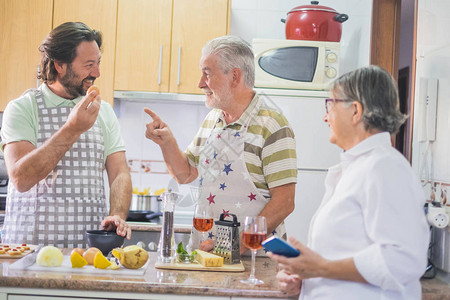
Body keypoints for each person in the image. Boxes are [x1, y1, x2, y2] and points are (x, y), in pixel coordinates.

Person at [268, 65, 429, 300]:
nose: (325, 116)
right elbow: (345, 256)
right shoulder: (357, 168)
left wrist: (319, 268)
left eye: (330, 104)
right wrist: (305, 279)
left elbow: (403, 260)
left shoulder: (385, 167)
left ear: (355, 111)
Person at [144, 35, 297, 253]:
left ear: (234, 76)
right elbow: (186, 174)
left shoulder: (272, 125)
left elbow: (285, 202)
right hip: (206, 256)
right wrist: (166, 143)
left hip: (255, 262)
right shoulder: (213, 119)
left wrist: (235, 246)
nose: (199, 84)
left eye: (207, 74)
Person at [1, 22, 132, 248]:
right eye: (89, 64)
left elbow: (120, 172)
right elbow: (21, 179)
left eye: (98, 63)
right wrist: (72, 129)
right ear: (60, 65)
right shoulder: (22, 108)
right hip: (28, 252)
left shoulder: (105, 112)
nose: (97, 73)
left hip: (87, 252)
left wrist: (118, 213)